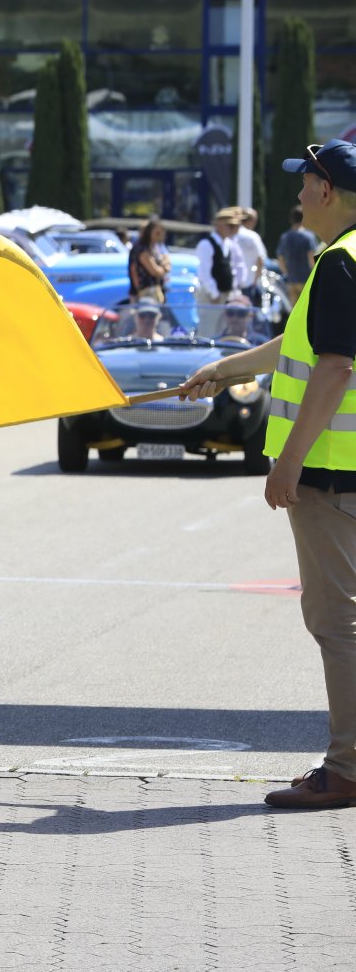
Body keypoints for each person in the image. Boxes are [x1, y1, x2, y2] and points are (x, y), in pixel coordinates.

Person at [177, 138, 356, 809]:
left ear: (327, 191)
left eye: (305, 182)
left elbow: (334, 368)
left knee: (337, 624)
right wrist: (226, 369)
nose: (298, 195)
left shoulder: (338, 262)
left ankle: (347, 768)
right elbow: (301, 344)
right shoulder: (346, 259)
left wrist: (289, 462)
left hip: (333, 476)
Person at [194, 207, 242, 311]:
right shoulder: (206, 244)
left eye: (233, 226)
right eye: (228, 225)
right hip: (210, 297)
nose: (231, 229)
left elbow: (232, 269)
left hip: (226, 295)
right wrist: (214, 293)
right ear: (219, 224)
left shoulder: (229, 244)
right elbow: (204, 273)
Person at [277, 204, 319, 305]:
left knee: (294, 310)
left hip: (291, 280)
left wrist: (287, 273)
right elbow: (311, 258)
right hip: (306, 279)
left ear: (291, 219)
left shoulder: (285, 237)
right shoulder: (309, 237)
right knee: (307, 308)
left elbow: (281, 259)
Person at [126, 217, 172, 302]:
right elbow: (154, 271)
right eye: (157, 233)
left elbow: (166, 258)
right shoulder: (141, 248)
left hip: (155, 290)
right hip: (146, 292)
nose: (160, 236)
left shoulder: (154, 246)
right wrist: (165, 269)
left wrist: (164, 266)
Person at [236, 206, 269, 301]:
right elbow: (260, 259)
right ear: (252, 221)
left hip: (231, 283)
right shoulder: (253, 236)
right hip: (248, 282)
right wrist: (255, 281)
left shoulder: (230, 235)